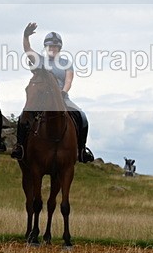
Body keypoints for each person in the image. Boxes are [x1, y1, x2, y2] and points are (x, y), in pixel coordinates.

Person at [12, 22, 95, 163]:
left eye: (55, 46)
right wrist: (25, 36)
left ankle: (81, 150)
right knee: (23, 117)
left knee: (82, 116)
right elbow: (27, 49)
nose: (53, 48)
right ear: (46, 47)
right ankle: (20, 147)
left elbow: (68, 80)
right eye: (50, 46)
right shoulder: (40, 60)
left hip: (62, 97)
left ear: (59, 48)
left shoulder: (66, 63)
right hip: (41, 99)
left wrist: (63, 92)